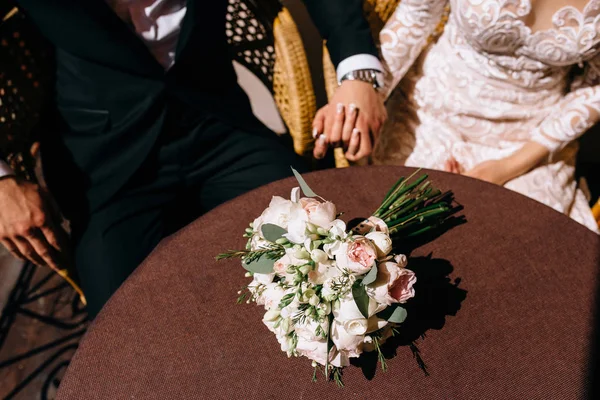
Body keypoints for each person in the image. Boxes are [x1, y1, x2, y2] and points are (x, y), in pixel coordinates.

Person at [0, 0, 387, 317]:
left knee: (332, 256)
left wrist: (358, 74)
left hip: (219, 129)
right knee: (123, 331)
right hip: (106, 167)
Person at [370, 0, 599, 232]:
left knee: (516, 244)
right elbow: (416, 17)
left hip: (532, 139)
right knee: (394, 228)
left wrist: (508, 167)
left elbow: (595, 88)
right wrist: (369, 94)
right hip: (428, 113)